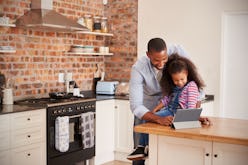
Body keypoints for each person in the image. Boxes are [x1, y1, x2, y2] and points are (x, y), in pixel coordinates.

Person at [128, 38, 209, 164]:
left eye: (164, 59)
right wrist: (155, 117)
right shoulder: (139, 68)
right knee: (140, 149)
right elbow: (136, 106)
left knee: (167, 150)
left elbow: (193, 79)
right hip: (148, 107)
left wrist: (194, 115)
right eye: (156, 60)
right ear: (148, 55)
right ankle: (141, 149)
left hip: (174, 108)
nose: (161, 64)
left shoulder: (177, 51)